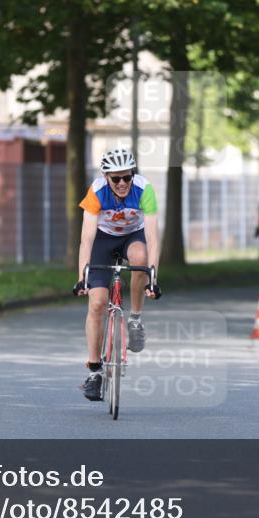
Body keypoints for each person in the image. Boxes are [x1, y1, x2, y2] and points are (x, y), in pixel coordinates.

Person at [72, 148, 161, 401]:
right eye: (116, 178)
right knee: (98, 302)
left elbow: (153, 239)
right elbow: (86, 239)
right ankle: (94, 371)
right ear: (106, 177)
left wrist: (153, 280)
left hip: (133, 236)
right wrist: (82, 277)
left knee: (140, 259)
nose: (122, 183)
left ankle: (134, 318)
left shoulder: (145, 190)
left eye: (127, 177)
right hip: (103, 240)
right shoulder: (97, 191)